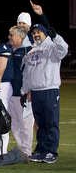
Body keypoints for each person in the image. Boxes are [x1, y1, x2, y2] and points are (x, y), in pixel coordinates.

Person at [22, 24, 69, 163]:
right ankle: (41, 150)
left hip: (49, 90)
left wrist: (55, 37)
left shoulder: (52, 48)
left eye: (39, 32)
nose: (36, 34)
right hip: (36, 92)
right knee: (40, 123)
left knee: (50, 122)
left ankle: (51, 151)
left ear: (45, 34)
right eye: (34, 32)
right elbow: (27, 74)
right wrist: (25, 91)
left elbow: (63, 49)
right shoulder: (31, 52)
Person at [7, 25, 34, 156]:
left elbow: (30, 73)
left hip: (22, 93)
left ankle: (27, 150)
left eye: (11, 35)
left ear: (20, 36)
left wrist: (28, 90)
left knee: (25, 122)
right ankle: (20, 147)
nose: (9, 37)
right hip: (11, 93)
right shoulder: (11, 50)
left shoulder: (29, 51)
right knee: (15, 122)